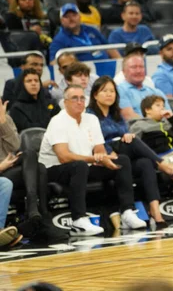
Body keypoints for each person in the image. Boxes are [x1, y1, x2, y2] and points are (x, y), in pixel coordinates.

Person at [38, 84, 147, 236]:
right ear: (65, 102)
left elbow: (99, 149)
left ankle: (127, 212)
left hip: (83, 165)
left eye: (82, 98)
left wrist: (104, 159)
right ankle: (78, 221)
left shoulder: (91, 119)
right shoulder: (58, 121)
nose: (79, 101)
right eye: (74, 98)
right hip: (54, 169)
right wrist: (94, 158)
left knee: (121, 161)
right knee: (80, 166)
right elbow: (63, 156)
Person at [87, 76, 173, 228]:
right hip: (104, 154)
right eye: (105, 91)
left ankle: (156, 213)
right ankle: (164, 165)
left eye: (112, 91)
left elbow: (125, 134)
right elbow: (91, 140)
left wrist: (128, 136)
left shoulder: (116, 114)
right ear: (95, 94)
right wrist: (109, 151)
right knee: (135, 142)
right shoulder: (90, 115)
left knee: (144, 162)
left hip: (122, 154)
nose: (109, 94)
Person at [2, 95, 50, 230]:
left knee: (29, 153)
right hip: (1, 172)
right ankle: (41, 215)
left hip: (10, 166)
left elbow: (16, 145)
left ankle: (34, 208)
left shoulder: (6, 119)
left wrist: (3, 123)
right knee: (39, 168)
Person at [48, 3, 120, 64]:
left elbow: (109, 48)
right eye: (66, 16)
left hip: (105, 65)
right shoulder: (58, 40)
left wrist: (120, 63)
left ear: (80, 17)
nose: (71, 19)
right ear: (61, 21)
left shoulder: (92, 30)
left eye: (74, 15)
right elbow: (53, 63)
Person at [117, 54, 171, 120]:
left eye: (141, 67)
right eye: (134, 67)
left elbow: (169, 116)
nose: (138, 71)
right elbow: (129, 117)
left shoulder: (157, 92)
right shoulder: (119, 91)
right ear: (124, 72)